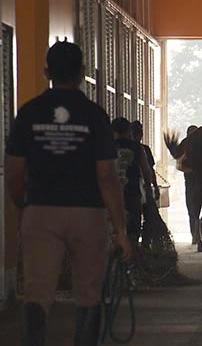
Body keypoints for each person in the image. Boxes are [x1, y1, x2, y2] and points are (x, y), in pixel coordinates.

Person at [6, 40, 131, 346]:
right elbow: (106, 178)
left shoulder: (29, 113)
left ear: (46, 71)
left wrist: (24, 206)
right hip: (87, 214)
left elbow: (14, 171)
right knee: (89, 292)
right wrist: (122, 230)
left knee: (37, 292)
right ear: (82, 73)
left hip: (41, 211)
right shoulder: (95, 116)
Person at [112, 117, 157, 247]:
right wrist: (149, 187)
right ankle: (133, 253)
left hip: (112, 193)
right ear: (128, 131)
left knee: (113, 226)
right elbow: (146, 170)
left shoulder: (107, 146)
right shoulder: (137, 147)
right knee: (133, 225)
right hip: (132, 192)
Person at [183, 125, 200, 244]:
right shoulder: (184, 148)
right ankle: (194, 234)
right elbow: (180, 165)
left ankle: (199, 228)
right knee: (192, 211)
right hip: (190, 183)